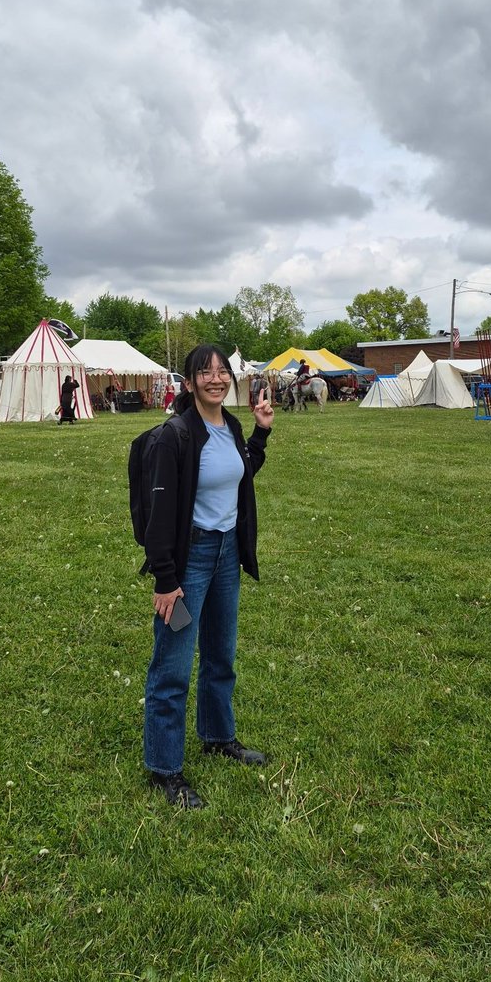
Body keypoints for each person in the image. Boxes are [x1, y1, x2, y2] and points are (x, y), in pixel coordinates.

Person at [142, 344, 275, 809]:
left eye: (222, 372)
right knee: (173, 665)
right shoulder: (175, 435)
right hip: (189, 558)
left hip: (225, 555)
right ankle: (164, 768)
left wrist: (260, 434)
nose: (216, 379)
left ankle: (218, 737)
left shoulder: (231, 426)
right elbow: (160, 512)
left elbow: (240, 474)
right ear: (191, 380)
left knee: (220, 655)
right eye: (206, 372)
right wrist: (165, 578)